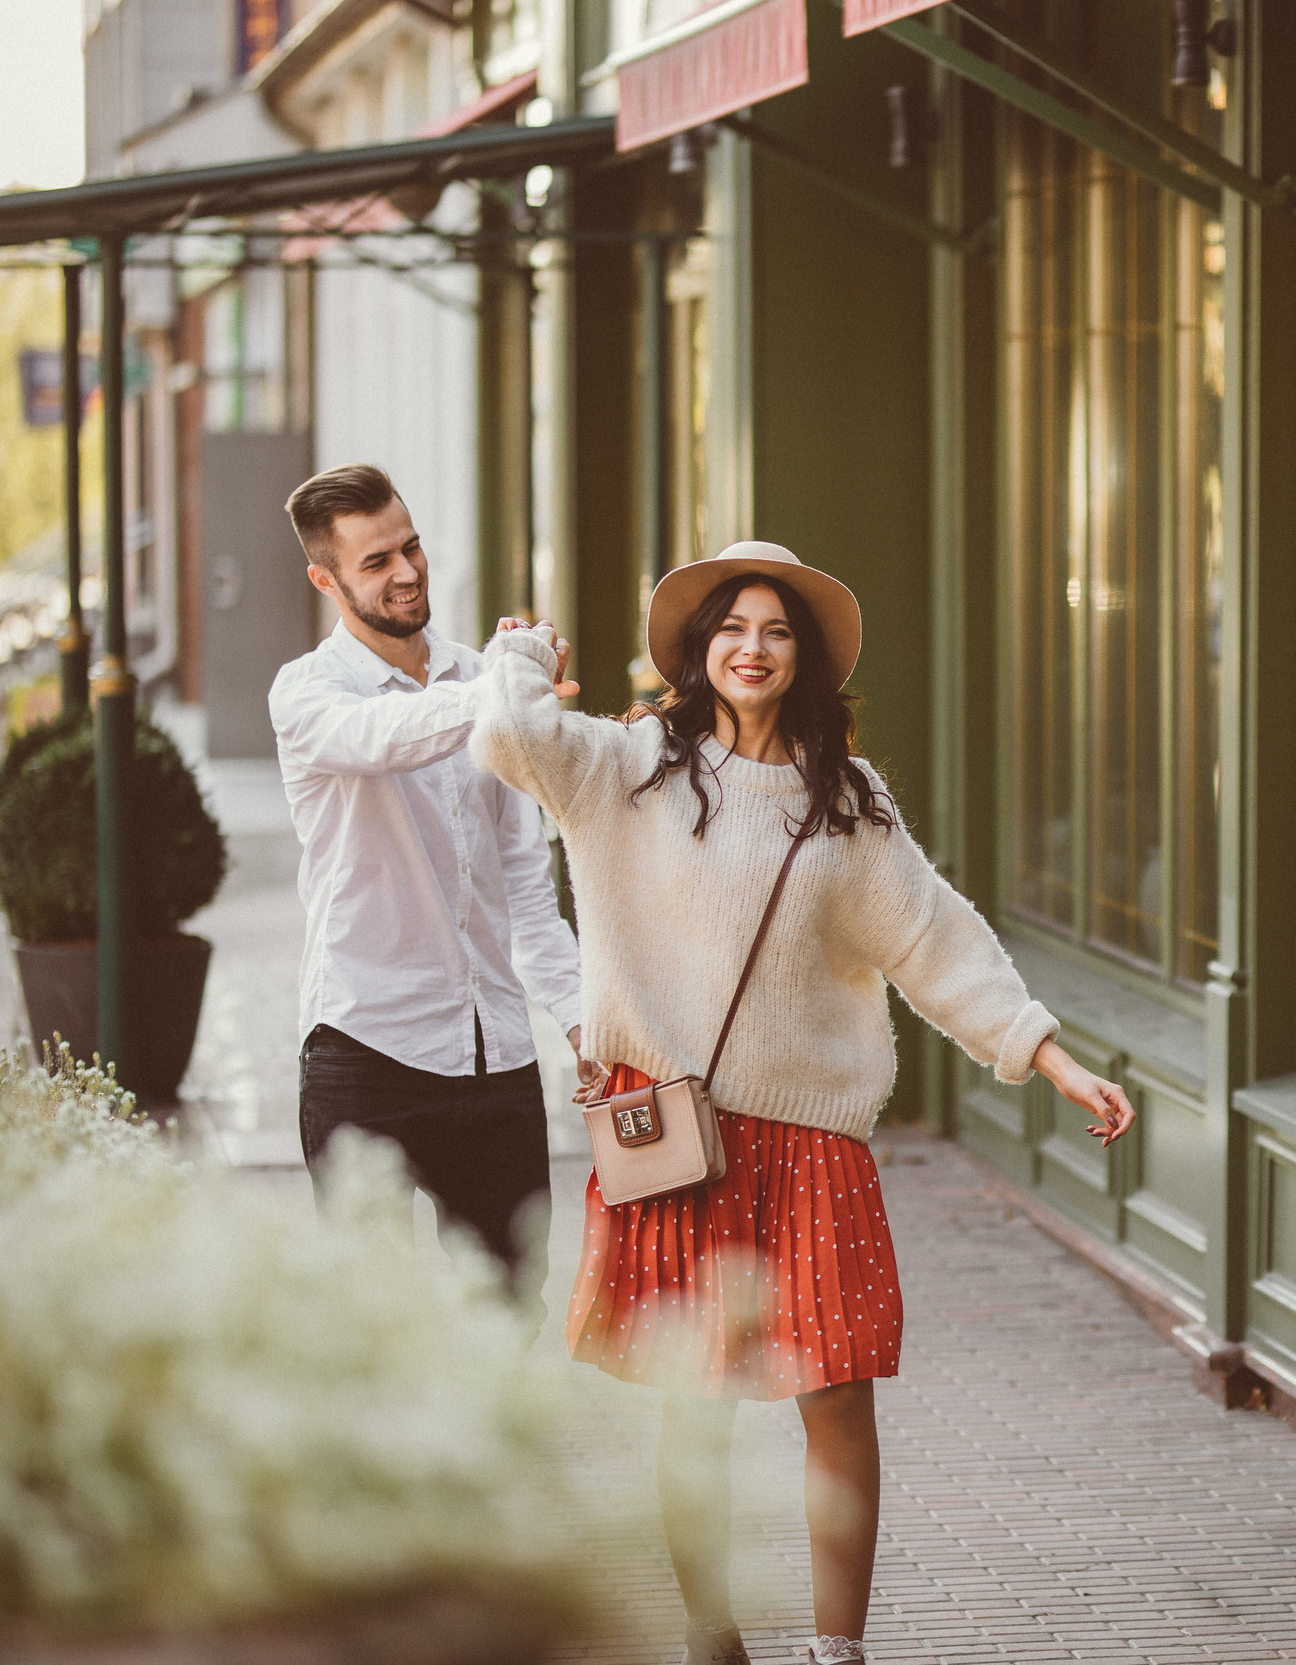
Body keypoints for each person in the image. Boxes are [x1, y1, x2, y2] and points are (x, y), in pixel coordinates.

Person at [470, 540, 1133, 1665]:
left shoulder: (847, 801)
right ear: (698, 649)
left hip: (813, 1141)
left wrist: (1050, 1057)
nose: (752, 647)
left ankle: (840, 1651)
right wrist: (522, 655)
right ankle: (710, 1631)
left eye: (776, 630)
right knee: (699, 1404)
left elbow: (935, 941)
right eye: (732, 627)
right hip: (680, 1137)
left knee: (838, 1400)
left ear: (804, 657)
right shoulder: (628, 767)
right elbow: (506, 734)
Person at [268, 463, 589, 1315]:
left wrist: (589, 1021)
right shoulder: (306, 694)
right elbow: (384, 736)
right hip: (362, 1044)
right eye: (376, 561)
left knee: (513, 1303)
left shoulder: (485, 675)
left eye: (409, 546)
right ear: (326, 579)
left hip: (496, 1053)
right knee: (368, 1325)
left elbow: (525, 883)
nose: (407, 571)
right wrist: (504, 690)